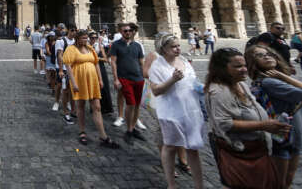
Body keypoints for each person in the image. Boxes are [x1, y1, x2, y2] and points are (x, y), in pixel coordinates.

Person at [204, 47, 289, 189]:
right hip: (241, 152)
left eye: (244, 65)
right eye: (238, 66)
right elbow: (224, 123)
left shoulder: (240, 84)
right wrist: (264, 125)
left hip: (255, 148)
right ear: (222, 69)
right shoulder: (219, 91)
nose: (244, 69)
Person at [149, 33, 205, 189]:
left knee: (193, 148)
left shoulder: (185, 61)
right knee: (170, 146)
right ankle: (171, 184)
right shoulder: (157, 66)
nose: (177, 48)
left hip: (191, 110)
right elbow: (156, 91)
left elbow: (193, 81)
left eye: (178, 45)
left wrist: (201, 88)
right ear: (163, 49)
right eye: (173, 46)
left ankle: (199, 185)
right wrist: (172, 79)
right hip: (171, 112)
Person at [245, 45, 302, 189]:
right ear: (253, 63)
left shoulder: (271, 80)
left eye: (268, 53)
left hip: (289, 134)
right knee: (281, 182)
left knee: (286, 179)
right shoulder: (270, 81)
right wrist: (282, 76)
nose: (266, 56)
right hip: (285, 137)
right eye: (259, 55)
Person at [63, 30, 120, 149]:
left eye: (86, 38)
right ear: (77, 38)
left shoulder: (90, 48)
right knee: (81, 106)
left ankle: (103, 136)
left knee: (97, 107)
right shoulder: (71, 49)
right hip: (79, 80)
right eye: (83, 38)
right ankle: (82, 131)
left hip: (92, 81)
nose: (85, 40)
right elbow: (68, 66)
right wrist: (73, 83)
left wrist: (100, 79)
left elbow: (96, 63)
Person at [109, 22, 146, 144]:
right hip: (125, 78)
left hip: (138, 78)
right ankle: (129, 130)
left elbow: (142, 62)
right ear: (121, 32)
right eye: (125, 31)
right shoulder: (116, 45)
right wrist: (115, 79)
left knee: (136, 105)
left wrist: (145, 76)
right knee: (130, 104)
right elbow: (113, 62)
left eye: (129, 30)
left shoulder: (137, 45)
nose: (128, 32)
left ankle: (133, 127)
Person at [54, 25, 77, 125]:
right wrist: (60, 70)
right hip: (64, 69)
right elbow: (59, 55)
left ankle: (73, 110)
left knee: (72, 91)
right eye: (72, 30)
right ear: (68, 30)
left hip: (74, 70)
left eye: (76, 30)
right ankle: (65, 112)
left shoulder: (76, 42)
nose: (74, 32)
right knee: (65, 90)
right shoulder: (61, 41)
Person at [89, 32, 113, 115]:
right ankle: (94, 107)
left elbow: (105, 59)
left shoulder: (99, 46)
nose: (94, 39)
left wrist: (97, 58)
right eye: (92, 37)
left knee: (104, 88)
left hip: (101, 69)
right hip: (90, 69)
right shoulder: (86, 47)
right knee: (93, 88)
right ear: (89, 38)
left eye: (95, 37)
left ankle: (106, 108)